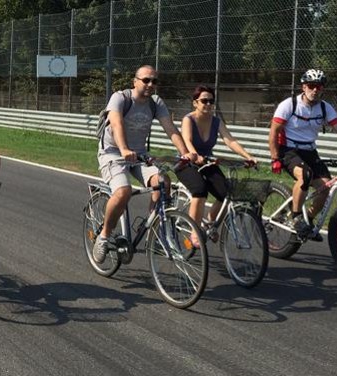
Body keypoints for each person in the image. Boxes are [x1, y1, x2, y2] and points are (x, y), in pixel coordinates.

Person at [91, 65, 193, 264]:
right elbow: (117, 123)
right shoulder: (120, 98)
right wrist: (123, 149)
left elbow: (170, 129)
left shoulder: (156, 103)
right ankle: (103, 236)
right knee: (123, 191)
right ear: (135, 81)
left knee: (163, 182)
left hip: (140, 155)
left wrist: (186, 154)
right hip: (113, 152)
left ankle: (155, 228)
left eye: (154, 81)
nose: (150, 84)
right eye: (146, 80)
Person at [268, 68, 337, 240]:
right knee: (304, 175)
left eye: (319, 87)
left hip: (310, 151)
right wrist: (275, 158)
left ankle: (307, 220)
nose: (315, 90)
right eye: (311, 86)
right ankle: (296, 218)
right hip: (288, 150)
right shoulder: (289, 105)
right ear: (303, 87)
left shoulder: (325, 108)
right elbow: (274, 131)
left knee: (326, 187)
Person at [176, 85, 256, 245]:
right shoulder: (188, 119)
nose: (208, 104)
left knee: (226, 193)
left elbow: (229, 140)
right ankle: (194, 232)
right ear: (195, 103)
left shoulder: (216, 121)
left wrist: (248, 156)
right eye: (204, 101)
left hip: (207, 161)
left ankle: (210, 223)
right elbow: (187, 140)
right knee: (200, 191)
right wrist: (195, 156)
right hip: (187, 162)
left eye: (211, 101)